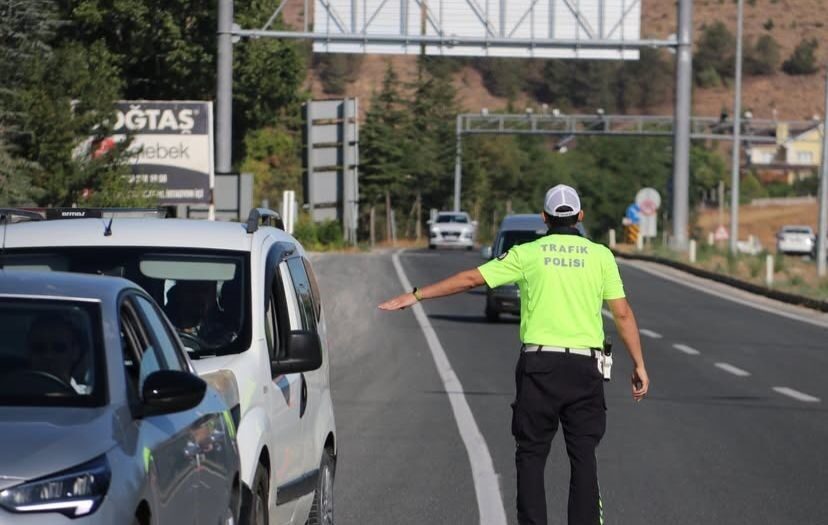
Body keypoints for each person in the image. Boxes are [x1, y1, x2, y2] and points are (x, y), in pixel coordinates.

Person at [379, 184, 649, 525]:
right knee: (583, 456)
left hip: (540, 367)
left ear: (544, 218)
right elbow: (622, 314)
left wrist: (417, 295)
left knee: (532, 455)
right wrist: (638, 364)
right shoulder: (600, 256)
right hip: (586, 368)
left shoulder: (528, 253)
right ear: (580, 217)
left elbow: (470, 279)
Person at [28, 312, 91, 394]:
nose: (48, 356)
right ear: (29, 353)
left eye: (59, 348)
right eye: (39, 348)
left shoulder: (86, 397)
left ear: (75, 353)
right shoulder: (13, 395)